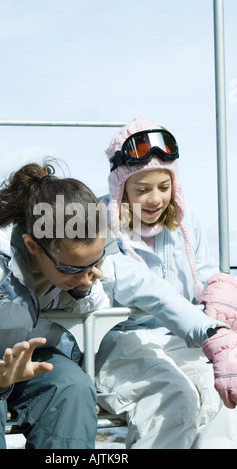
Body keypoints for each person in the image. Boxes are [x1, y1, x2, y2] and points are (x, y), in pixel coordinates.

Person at [0, 160, 109, 449]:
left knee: (72, 388)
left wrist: (82, 290)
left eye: (95, 263)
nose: (86, 276)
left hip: (33, 360)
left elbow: (93, 305)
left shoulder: (79, 262)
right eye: (72, 269)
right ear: (31, 245)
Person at [95, 116, 237, 449]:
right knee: (174, 399)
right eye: (142, 189)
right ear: (121, 187)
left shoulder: (185, 225)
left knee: (221, 397)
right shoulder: (100, 226)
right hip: (121, 344)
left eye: (163, 186)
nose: (155, 199)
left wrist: (219, 293)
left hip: (178, 341)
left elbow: (203, 272)